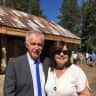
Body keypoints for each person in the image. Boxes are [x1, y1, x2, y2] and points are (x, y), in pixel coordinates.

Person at [4, 30, 49, 96]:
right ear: (26, 45)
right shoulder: (14, 64)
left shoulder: (47, 62)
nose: (36, 47)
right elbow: (8, 92)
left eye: (39, 45)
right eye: (33, 44)